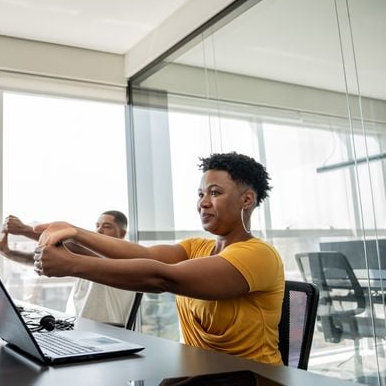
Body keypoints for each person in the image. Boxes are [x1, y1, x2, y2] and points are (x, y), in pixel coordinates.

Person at [33, 152, 285, 365]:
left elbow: (161, 277)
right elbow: (144, 255)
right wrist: (75, 232)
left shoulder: (259, 255)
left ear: (247, 200)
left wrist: (73, 265)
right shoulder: (197, 247)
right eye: (200, 195)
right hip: (200, 374)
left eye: (215, 193)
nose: (203, 204)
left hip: (253, 378)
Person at [0, 211, 137, 325]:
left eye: (106, 226)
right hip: (77, 327)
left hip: (107, 333)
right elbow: (40, 258)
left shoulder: (126, 259)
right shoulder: (90, 257)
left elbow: (73, 245)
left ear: (122, 234)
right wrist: (8, 252)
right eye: (97, 225)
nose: (99, 230)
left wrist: (24, 229)